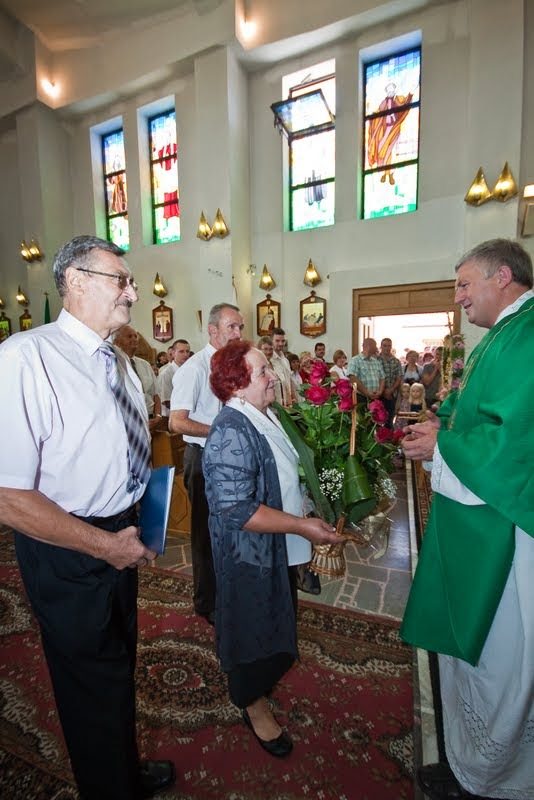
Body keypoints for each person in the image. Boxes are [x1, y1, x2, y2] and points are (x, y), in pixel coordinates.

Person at [0, 235, 175, 800]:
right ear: (76, 282)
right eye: (120, 280)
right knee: (87, 682)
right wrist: (102, 547)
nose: (133, 291)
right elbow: (8, 496)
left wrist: (139, 523)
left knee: (118, 664)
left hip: (120, 533)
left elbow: (123, 446)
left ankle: (121, 767)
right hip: (67, 547)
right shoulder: (24, 359)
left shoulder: (119, 360)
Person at [401, 238, 534, 800]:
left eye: (463, 284)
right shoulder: (502, 334)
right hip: (487, 522)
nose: (457, 298)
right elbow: (474, 410)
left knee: (502, 652)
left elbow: (512, 443)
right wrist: (443, 424)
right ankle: (474, 756)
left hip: (506, 526)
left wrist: (443, 446)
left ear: (502, 276)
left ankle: (493, 774)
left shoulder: (524, 337)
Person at [202, 340, 343, 757]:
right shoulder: (231, 428)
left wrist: (325, 497)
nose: (273, 377)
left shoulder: (267, 414)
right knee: (252, 628)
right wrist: (301, 525)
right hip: (250, 554)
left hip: (277, 548)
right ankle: (250, 700)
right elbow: (234, 508)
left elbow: (295, 467)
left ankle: (261, 682)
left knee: (276, 618)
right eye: (263, 371)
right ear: (239, 382)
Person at [169, 303, 244, 625]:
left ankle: (229, 592)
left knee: (230, 528)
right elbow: (177, 422)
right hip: (203, 458)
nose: (239, 333)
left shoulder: (233, 366)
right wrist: (222, 431)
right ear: (213, 331)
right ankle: (206, 602)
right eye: (232, 327)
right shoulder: (194, 369)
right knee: (204, 532)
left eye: (240, 327)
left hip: (231, 457)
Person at [114, 324, 162, 432]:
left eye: (135, 336)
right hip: (127, 421)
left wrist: (158, 416)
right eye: (129, 336)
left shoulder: (145, 365)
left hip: (150, 419)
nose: (134, 339)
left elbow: (155, 394)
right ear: (117, 341)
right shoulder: (114, 364)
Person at [367, 82, 413, 186]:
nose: (390, 93)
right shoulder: (384, 103)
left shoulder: (397, 101)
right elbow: (378, 113)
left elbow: (404, 104)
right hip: (385, 129)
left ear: (394, 92)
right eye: (389, 91)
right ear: (387, 92)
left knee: (391, 151)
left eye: (392, 91)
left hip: (394, 129)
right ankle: (383, 173)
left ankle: (391, 174)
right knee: (381, 150)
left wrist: (410, 95)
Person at [157, 338, 190, 418]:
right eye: (181, 351)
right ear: (173, 353)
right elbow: (166, 401)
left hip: (188, 415)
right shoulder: (166, 373)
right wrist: (186, 411)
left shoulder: (190, 371)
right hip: (171, 417)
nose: (185, 354)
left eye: (187, 351)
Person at [347, 337, 385, 404]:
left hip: (376, 398)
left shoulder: (376, 362)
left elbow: (382, 378)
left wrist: (380, 391)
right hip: (361, 399)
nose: (376, 348)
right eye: (375, 346)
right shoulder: (355, 361)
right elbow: (353, 379)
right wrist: (367, 392)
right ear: (368, 346)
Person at [379, 337, 403, 427]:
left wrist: (391, 390)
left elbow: (399, 377)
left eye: (389, 346)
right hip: (378, 394)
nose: (387, 348)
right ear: (381, 346)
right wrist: (383, 390)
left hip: (392, 394)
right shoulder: (376, 360)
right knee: (376, 420)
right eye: (384, 345)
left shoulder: (396, 361)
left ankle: (388, 439)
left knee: (389, 420)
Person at [271, 327, 296, 406]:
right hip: (276, 402)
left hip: (287, 402)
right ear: (271, 341)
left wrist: (293, 397)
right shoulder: (269, 361)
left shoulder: (285, 360)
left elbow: (289, 380)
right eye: (277, 341)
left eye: (283, 341)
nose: (281, 344)